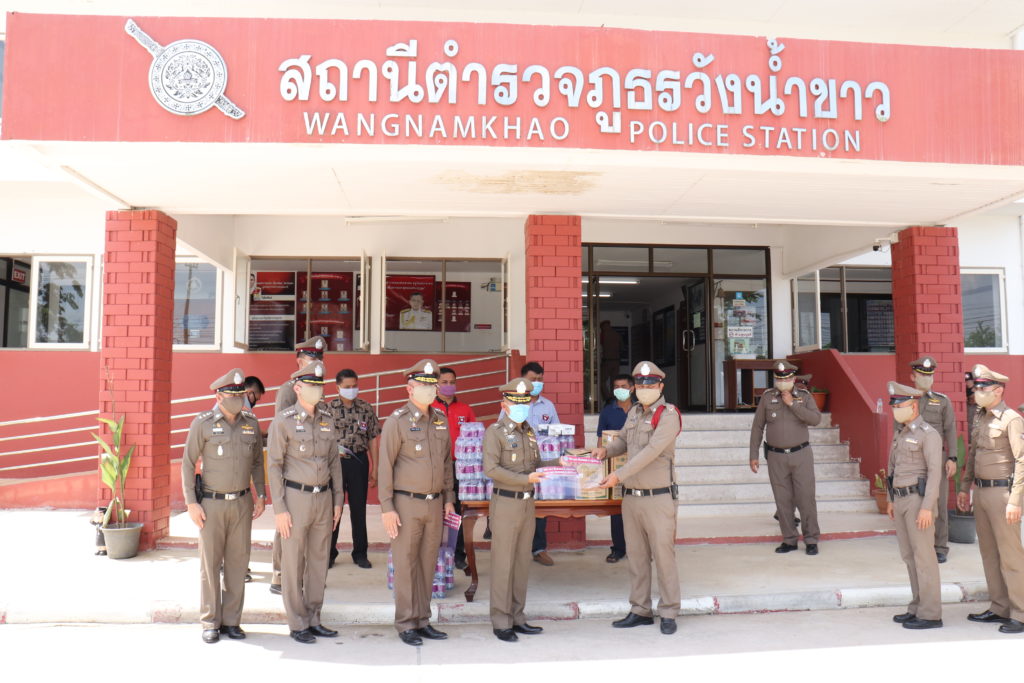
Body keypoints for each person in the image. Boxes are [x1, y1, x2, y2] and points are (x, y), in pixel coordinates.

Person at [592, 361, 681, 636]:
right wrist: (604, 451)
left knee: (663, 557)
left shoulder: (668, 415)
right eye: (640, 384)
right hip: (632, 497)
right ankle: (640, 609)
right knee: (637, 558)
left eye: (649, 384)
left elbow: (651, 452)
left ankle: (669, 611)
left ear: (660, 386)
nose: (644, 388)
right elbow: (622, 441)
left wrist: (618, 475)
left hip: (658, 497)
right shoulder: (634, 412)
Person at [182, 368, 266, 644]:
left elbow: (257, 461)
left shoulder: (250, 423)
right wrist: (191, 503)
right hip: (211, 504)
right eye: (232, 396)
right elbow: (187, 463)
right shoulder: (202, 423)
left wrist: (261, 494)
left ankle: (232, 620)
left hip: (242, 502)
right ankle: (210, 621)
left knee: (238, 564)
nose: (238, 400)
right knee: (210, 565)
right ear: (219, 397)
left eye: (241, 395)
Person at [378, 359, 456, 646]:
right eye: (424, 385)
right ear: (410, 389)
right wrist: (387, 507)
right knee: (406, 564)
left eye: (432, 385)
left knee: (427, 564)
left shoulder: (440, 419)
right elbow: (385, 467)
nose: (430, 390)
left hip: (434, 503)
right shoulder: (397, 421)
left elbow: (446, 464)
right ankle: (406, 623)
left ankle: (423, 620)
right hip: (406, 503)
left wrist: (449, 499)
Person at [267, 360, 342, 644]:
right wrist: (280, 509)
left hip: (323, 498)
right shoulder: (283, 421)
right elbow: (274, 466)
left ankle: (314, 617)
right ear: (297, 388)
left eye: (320, 385)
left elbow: (334, 462)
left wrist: (338, 500)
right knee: (293, 562)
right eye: (312, 385)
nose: (317, 390)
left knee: (319, 561)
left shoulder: (327, 419)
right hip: (295, 498)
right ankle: (297, 622)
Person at [957, 364, 1024, 634]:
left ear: (998, 391)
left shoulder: (1011, 419)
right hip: (982, 492)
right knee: (989, 553)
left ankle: (1020, 612)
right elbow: (974, 453)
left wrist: (1015, 500)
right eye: (976, 388)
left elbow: (1021, 460)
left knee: (1010, 555)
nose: (977, 392)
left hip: (1002, 493)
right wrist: (965, 487)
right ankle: (999, 607)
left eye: (982, 388)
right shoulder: (981, 417)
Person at [483, 379, 547, 642]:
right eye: (515, 402)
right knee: (503, 564)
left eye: (524, 401)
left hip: (526, 504)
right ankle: (501, 621)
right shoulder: (495, 432)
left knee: (521, 563)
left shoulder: (528, 432)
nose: (521, 406)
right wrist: (525, 480)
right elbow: (491, 469)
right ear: (504, 405)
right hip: (506, 503)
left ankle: (518, 617)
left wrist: (562, 461)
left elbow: (537, 465)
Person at [270, 335, 326, 594]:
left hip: (312, 469)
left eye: (318, 359)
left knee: (305, 530)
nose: (315, 363)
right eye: (310, 359)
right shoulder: (288, 389)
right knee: (287, 525)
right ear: (298, 361)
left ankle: (301, 575)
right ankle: (280, 575)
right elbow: (281, 428)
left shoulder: (316, 388)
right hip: (292, 468)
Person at [748, 360, 822, 555]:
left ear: (793, 379)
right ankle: (789, 539)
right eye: (779, 379)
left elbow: (816, 419)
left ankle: (811, 539)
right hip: (776, 456)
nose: (782, 382)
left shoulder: (804, 397)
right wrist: (753, 454)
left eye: (786, 379)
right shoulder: (767, 397)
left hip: (801, 455)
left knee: (806, 498)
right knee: (782, 500)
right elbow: (757, 427)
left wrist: (792, 404)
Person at [886, 381, 943, 630]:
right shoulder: (900, 433)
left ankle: (931, 614)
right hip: (900, 499)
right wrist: (890, 499)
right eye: (894, 406)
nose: (896, 410)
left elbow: (935, 473)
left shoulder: (928, 434)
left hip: (918, 501)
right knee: (909, 557)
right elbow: (892, 468)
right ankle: (917, 606)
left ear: (914, 406)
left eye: (900, 406)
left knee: (924, 557)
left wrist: (927, 507)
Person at [904, 357, 958, 563]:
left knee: (939, 501)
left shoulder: (942, 401)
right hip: (912, 458)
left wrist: (952, 457)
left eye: (930, 376)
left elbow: (950, 429)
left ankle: (940, 546)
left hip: (937, 458)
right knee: (913, 501)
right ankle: (918, 543)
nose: (926, 379)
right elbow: (898, 432)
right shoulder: (906, 401)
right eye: (922, 375)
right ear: (913, 377)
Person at [328, 368, 380, 569]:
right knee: (334, 509)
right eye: (347, 387)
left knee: (359, 509)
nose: (352, 390)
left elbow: (373, 438)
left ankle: (360, 553)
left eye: (354, 386)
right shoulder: (328, 409)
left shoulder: (365, 408)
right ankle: (329, 553)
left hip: (359, 461)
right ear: (338, 387)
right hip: (336, 464)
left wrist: (375, 467)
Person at [433, 366, 477, 570]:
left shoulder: (465, 410)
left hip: (461, 468)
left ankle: (458, 554)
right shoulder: (429, 407)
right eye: (444, 382)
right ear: (436, 384)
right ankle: (434, 552)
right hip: (435, 467)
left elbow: (476, 439)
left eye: (452, 382)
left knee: (458, 511)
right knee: (435, 509)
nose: (448, 386)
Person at [520, 361, 560, 566]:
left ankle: (539, 549)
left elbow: (557, 432)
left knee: (540, 506)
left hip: (543, 462)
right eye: (532, 379)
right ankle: (516, 550)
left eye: (539, 379)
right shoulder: (514, 404)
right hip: (518, 463)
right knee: (518, 505)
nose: (536, 383)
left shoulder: (548, 406)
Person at [597, 373, 634, 563]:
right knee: (617, 510)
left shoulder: (640, 410)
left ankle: (639, 550)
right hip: (614, 467)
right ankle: (618, 549)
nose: (620, 390)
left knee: (637, 510)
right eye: (616, 386)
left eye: (624, 386)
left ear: (632, 388)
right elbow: (601, 441)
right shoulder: (607, 412)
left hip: (636, 466)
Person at [599, 320, 622, 403]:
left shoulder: (603, 334)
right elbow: (622, 346)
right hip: (616, 361)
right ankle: (614, 399)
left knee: (601, 381)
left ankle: (608, 398)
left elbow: (599, 345)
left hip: (607, 361)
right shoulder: (616, 334)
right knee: (614, 382)